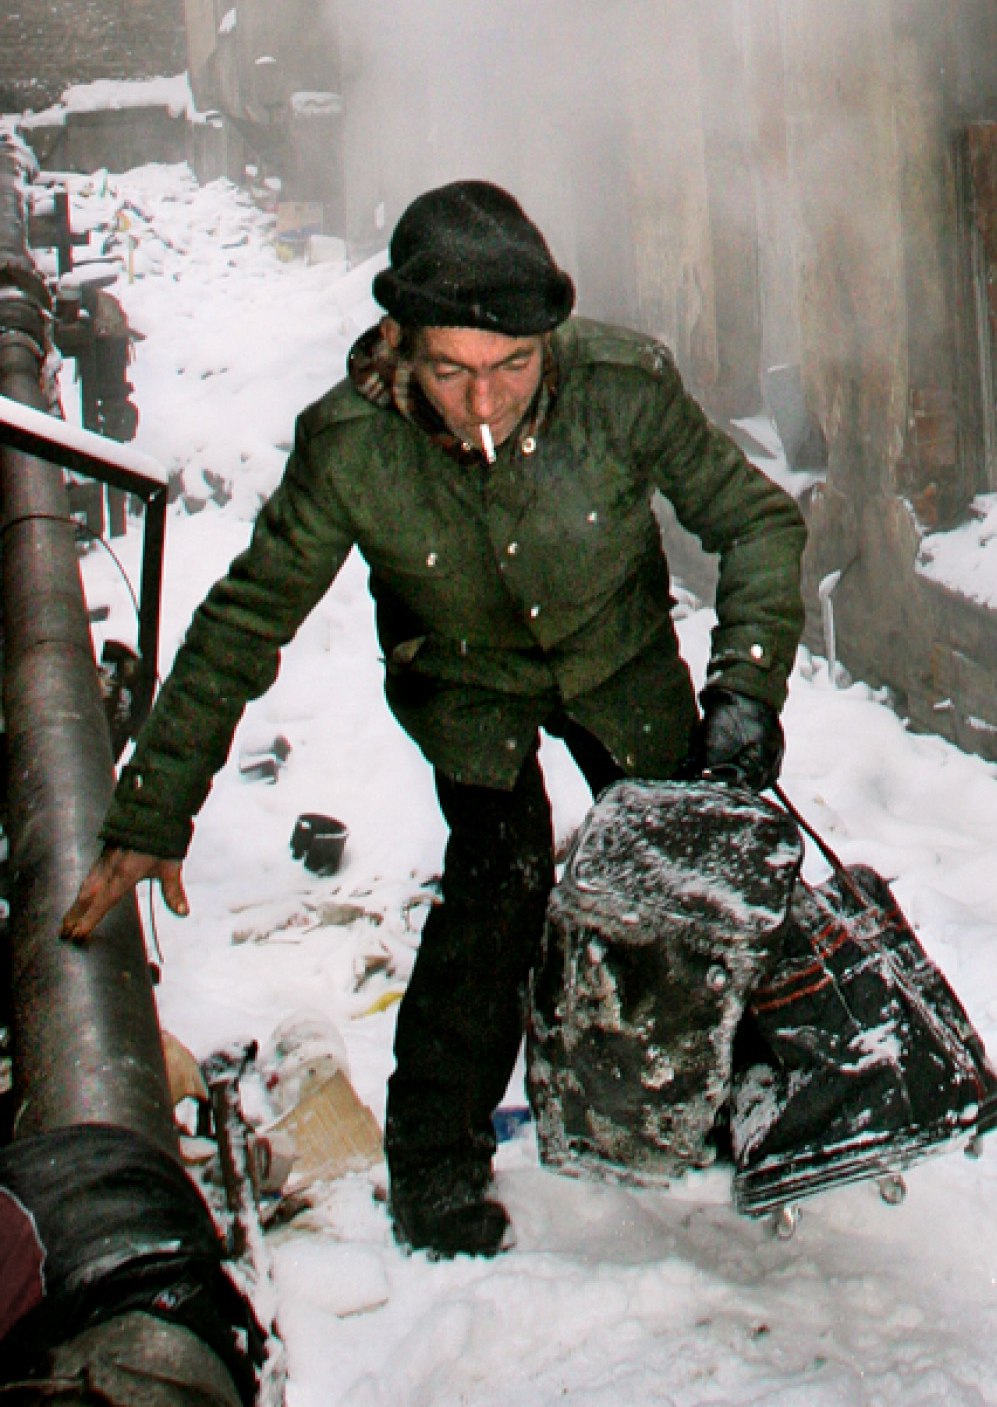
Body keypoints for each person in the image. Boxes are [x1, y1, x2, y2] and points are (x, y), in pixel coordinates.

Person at [62, 180, 807, 1261]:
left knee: (690, 871)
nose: (486, 402)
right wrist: (153, 811)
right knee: (498, 890)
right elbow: (242, 624)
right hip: (467, 689)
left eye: (513, 368)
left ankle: (737, 1093)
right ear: (401, 346)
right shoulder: (349, 445)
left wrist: (745, 689)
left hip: (618, 659)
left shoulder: (620, 383)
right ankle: (437, 1162)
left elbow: (757, 522)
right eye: (452, 372)